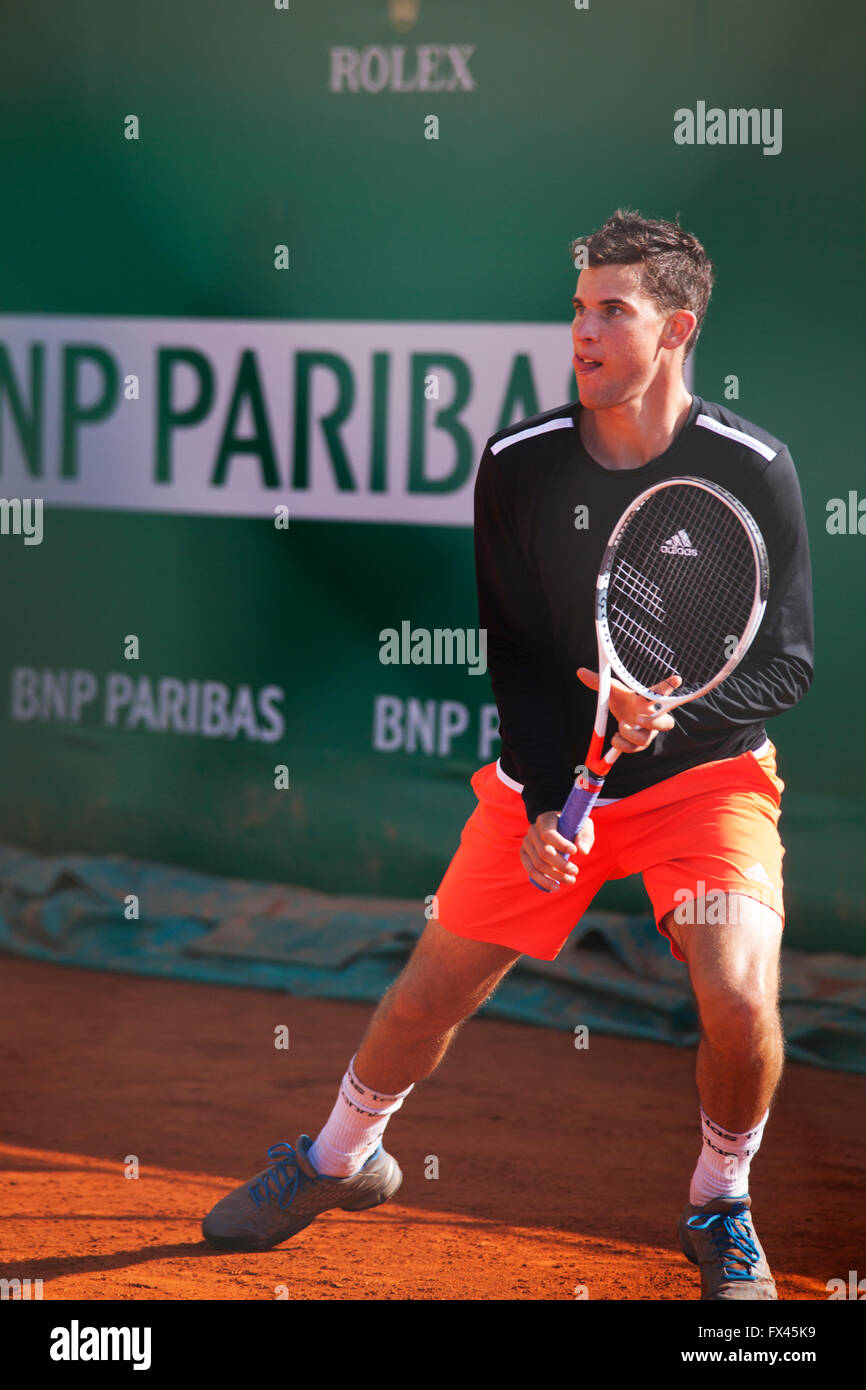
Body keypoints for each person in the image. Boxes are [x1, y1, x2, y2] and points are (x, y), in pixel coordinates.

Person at [202, 209, 814, 1301]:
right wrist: (542, 801)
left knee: (737, 998)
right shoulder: (517, 466)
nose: (580, 332)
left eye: (609, 313)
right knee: (422, 995)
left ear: (673, 330)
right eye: (576, 309)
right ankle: (338, 1158)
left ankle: (719, 1201)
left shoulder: (752, 468)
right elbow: (520, 656)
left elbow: (785, 666)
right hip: (559, 779)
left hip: (704, 781)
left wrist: (670, 717)